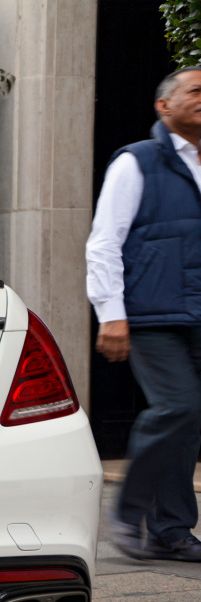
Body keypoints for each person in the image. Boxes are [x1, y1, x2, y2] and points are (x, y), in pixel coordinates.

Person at [87, 66, 201, 560]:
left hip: (196, 314)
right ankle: (128, 512)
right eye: (196, 91)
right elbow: (104, 243)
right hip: (152, 315)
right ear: (164, 105)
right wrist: (110, 313)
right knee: (178, 406)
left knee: (189, 421)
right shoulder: (137, 162)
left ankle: (171, 531)